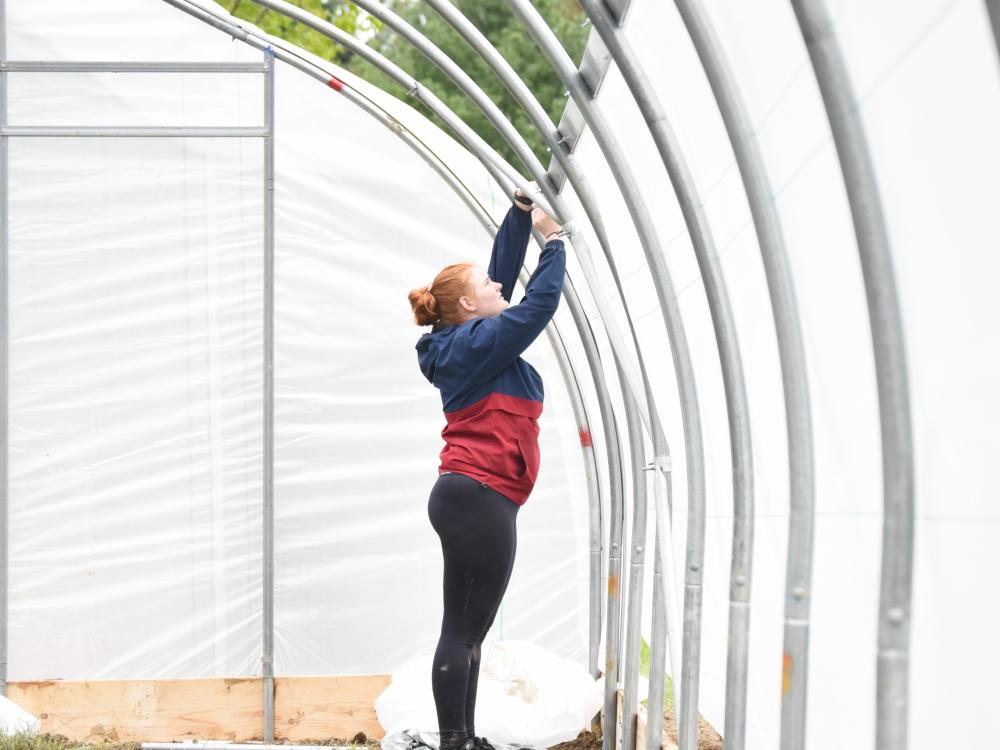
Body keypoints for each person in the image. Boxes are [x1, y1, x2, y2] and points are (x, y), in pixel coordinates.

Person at [407, 191, 566, 750]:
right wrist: (556, 241)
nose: (499, 286)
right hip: (479, 497)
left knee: (466, 630)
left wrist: (519, 217)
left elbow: (498, 278)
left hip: (470, 496)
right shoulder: (479, 343)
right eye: (487, 289)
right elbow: (537, 305)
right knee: (464, 630)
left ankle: (463, 739)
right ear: (469, 308)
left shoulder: (464, 337)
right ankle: (457, 742)